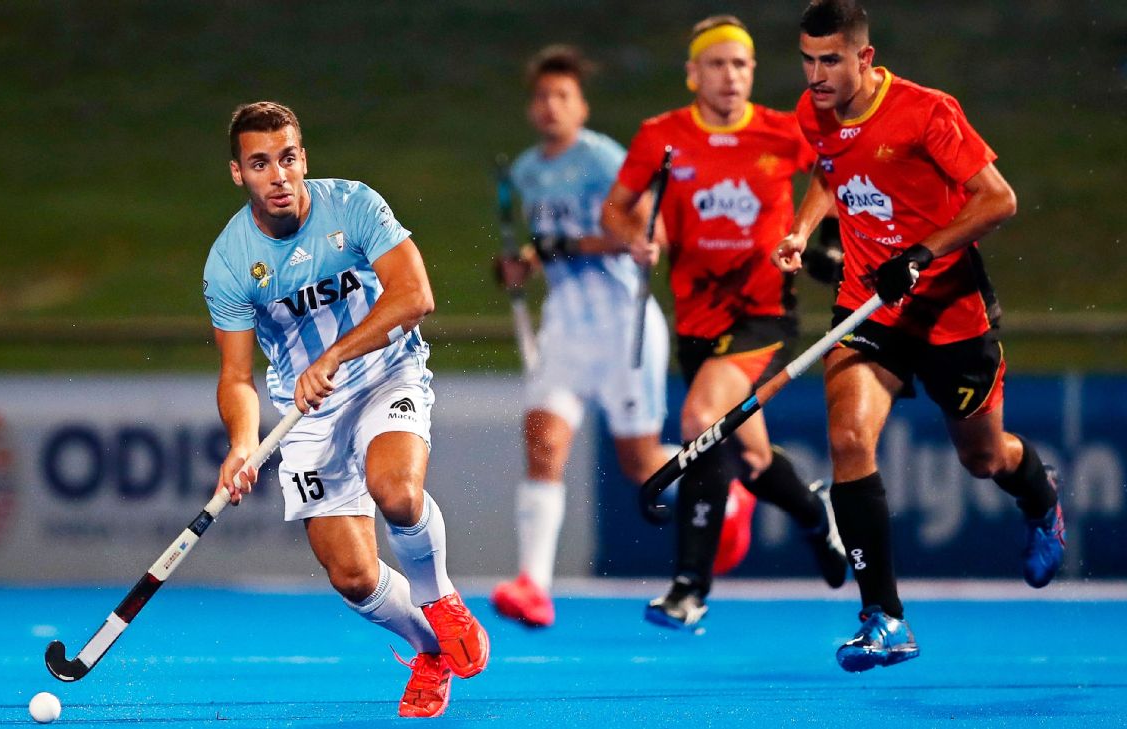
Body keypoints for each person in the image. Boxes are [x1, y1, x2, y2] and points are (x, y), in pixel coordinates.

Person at [773, 0, 1065, 672]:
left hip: (949, 313)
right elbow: (828, 167)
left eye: (830, 61)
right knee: (849, 439)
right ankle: (884, 618)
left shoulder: (926, 111)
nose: (816, 76)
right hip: (867, 309)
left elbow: (999, 199)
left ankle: (1041, 495)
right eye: (808, 61)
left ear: (865, 57)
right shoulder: (814, 110)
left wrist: (921, 253)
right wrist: (802, 228)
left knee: (983, 458)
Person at [202, 101, 488, 717]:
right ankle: (430, 650)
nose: (278, 175)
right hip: (306, 413)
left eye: (287, 158)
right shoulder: (229, 261)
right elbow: (236, 377)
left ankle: (439, 598)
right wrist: (243, 445)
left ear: (303, 158)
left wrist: (333, 355)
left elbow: (415, 296)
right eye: (260, 163)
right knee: (352, 576)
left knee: (398, 492)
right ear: (238, 173)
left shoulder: (353, 205)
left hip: (385, 374)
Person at [601, 15, 849, 632]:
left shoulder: (782, 131)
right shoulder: (661, 136)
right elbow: (616, 210)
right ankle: (815, 510)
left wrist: (812, 235)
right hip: (697, 322)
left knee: (701, 421)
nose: (730, 75)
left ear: (753, 72)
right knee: (752, 456)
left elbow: (834, 175)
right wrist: (636, 239)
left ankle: (690, 586)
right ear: (693, 74)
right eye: (717, 64)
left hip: (764, 315)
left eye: (740, 64)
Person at [489, 45, 675, 628]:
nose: (551, 105)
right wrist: (522, 264)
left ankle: (725, 485)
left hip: (624, 325)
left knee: (641, 464)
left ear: (582, 106)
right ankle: (534, 585)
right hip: (566, 327)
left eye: (563, 95)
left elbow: (649, 233)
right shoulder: (526, 171)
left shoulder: (604, 159)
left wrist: (563, 247)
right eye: (543, 96)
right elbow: (546, 241)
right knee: (543, 443)